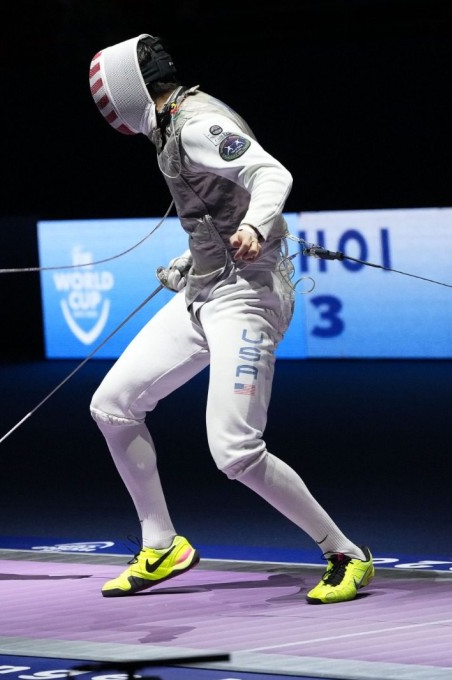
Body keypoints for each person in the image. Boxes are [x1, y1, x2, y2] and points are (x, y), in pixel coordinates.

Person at [86, 36, 373, 604]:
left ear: (127, 91)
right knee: (112, 406)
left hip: (247, 297)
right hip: (206, 290)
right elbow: (215, 207)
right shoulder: (170, 127)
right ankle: (162, 543)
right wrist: (192, 259)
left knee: (235, 452)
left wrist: (260, 226)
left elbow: (272, 175)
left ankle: (345, 554)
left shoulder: (196, 122)